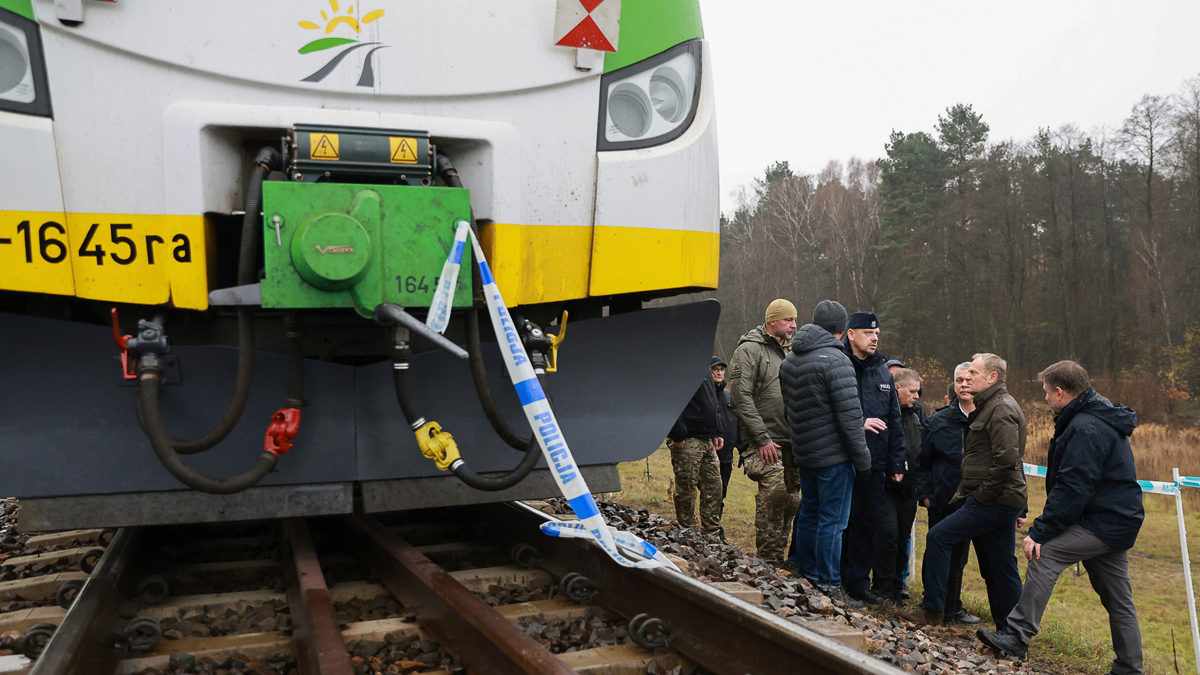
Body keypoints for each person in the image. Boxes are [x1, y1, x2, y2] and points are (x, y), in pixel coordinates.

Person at [978, 361, 1144, 674]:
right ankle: (1130, 668)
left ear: (1059, 392)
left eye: (1045, 392)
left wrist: (1041, 532)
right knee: (1119, 600)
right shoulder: (1093, 415)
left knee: (1044, 554)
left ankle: (1016, 635)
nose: (1044, 399)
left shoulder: (1085, 427)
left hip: (1103, 522)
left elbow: (1074, 487)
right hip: (1115, 519)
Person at [906, 353, 1026, 627]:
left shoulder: (1001, 408)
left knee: (939, 538)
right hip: (990, 499)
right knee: (998, 566)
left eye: (973, 373)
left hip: (993, 501)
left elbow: (1008, 459)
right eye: (964, 374)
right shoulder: (989, 406)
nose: (967, 378)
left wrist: (981, 495)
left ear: (992, 377)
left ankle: (934, 612)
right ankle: (1009, 632)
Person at [781, 300, 870, 605]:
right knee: (832, 522)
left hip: (805, 452)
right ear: (842, 330)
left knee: (809, 514)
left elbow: (789, 410)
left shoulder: (790, 360)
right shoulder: (836, 361)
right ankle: (829, 583)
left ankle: (807, 573)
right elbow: (849, 417)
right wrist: (863, 460)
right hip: (834, 456)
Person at [840, 311, 906, 605]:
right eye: (868, 333)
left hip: (875, 462)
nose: (875, 338)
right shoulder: (839, 365)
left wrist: (896, 461)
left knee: (867, 525)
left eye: (877, 333)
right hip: (842, 458)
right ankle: (832, 578)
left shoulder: (882, 371)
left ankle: (857, 584)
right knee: (841, 522)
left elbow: (894, 419)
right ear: (851, 334)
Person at [729, 299, 802, 563]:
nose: (794, 325)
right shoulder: (749, 350)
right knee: (774, 496)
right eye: (788, 320)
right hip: (764, 441)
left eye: (795, 320)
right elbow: (739, 397)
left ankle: (779, 559)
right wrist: (762, 438)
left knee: (792, 501)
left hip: (792, 441)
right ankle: (768, 560)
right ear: (772, 321)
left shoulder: (794, 351)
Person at [913, 364, 982, 624]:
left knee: (960, 560)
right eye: (959, 380)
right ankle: (933, 607)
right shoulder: (938, 421)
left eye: (968, 380)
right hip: (943, 501)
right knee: (939, 555)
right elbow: (924, 462)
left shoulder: (989, 418)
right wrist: (926, 494)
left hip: (977, 502)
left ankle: (953, 608)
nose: (964, 384)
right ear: (953, 386)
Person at [872, 367, 923, 602]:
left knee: (903, 539)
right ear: (897, 388)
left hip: (909, 491)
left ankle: (897, 587)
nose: (916, 396)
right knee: (888, 537)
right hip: (886, 489)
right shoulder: (881, 414)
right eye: (912, 391)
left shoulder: (915, 415)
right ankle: (881, 588)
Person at [666, 362, 725, 537]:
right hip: (688, 439)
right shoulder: (679, 365)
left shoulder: (702, 366)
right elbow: (670, 400)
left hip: (707, 439)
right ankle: (689, 533)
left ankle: (711, 534)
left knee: (714, 487)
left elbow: (711, 402)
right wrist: (678, 434)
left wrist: (717, 430)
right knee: (687, 488)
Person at [711, 356, 739, 521]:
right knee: (708, 493)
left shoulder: (729, 396)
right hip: (707, 452)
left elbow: (737, 421)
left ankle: (715, 526)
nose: (719, 372)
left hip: (726, 455)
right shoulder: (703, 393)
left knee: (721, 493)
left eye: (721, 369)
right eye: (715, 369)